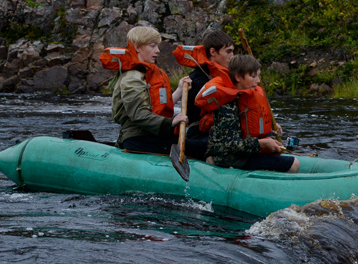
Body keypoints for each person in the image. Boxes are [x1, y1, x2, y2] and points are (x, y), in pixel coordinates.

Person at [198, 54, 297, 173]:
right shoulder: (228, 105)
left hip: (246, 153)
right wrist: (261, 143)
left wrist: (270, 132)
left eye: (258, 76)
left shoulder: (246, 98)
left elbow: (247, 129)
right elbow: (227, 144)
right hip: (232, 159)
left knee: (285, 159)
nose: (258, 81)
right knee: (293, 164)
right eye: (253, 76)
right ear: (239, 77)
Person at [101, 25, 186, 154]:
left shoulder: (148, 74)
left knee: (194, 142)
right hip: (137, 139)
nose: (157, 50)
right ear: (137, 47)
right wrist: (171, 122)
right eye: (152, 46)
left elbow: (159, 106)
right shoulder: (132, 78)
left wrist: (179, 90)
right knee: (197, 147)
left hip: (152, 135)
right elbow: (138, 114)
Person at [171, 29, 236, 159]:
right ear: (213, 52)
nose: (232, 56)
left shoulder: (226, 77)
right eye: (228, 51)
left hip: (219, 134)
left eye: (233, 51)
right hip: (201, 136)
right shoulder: (198, 80)